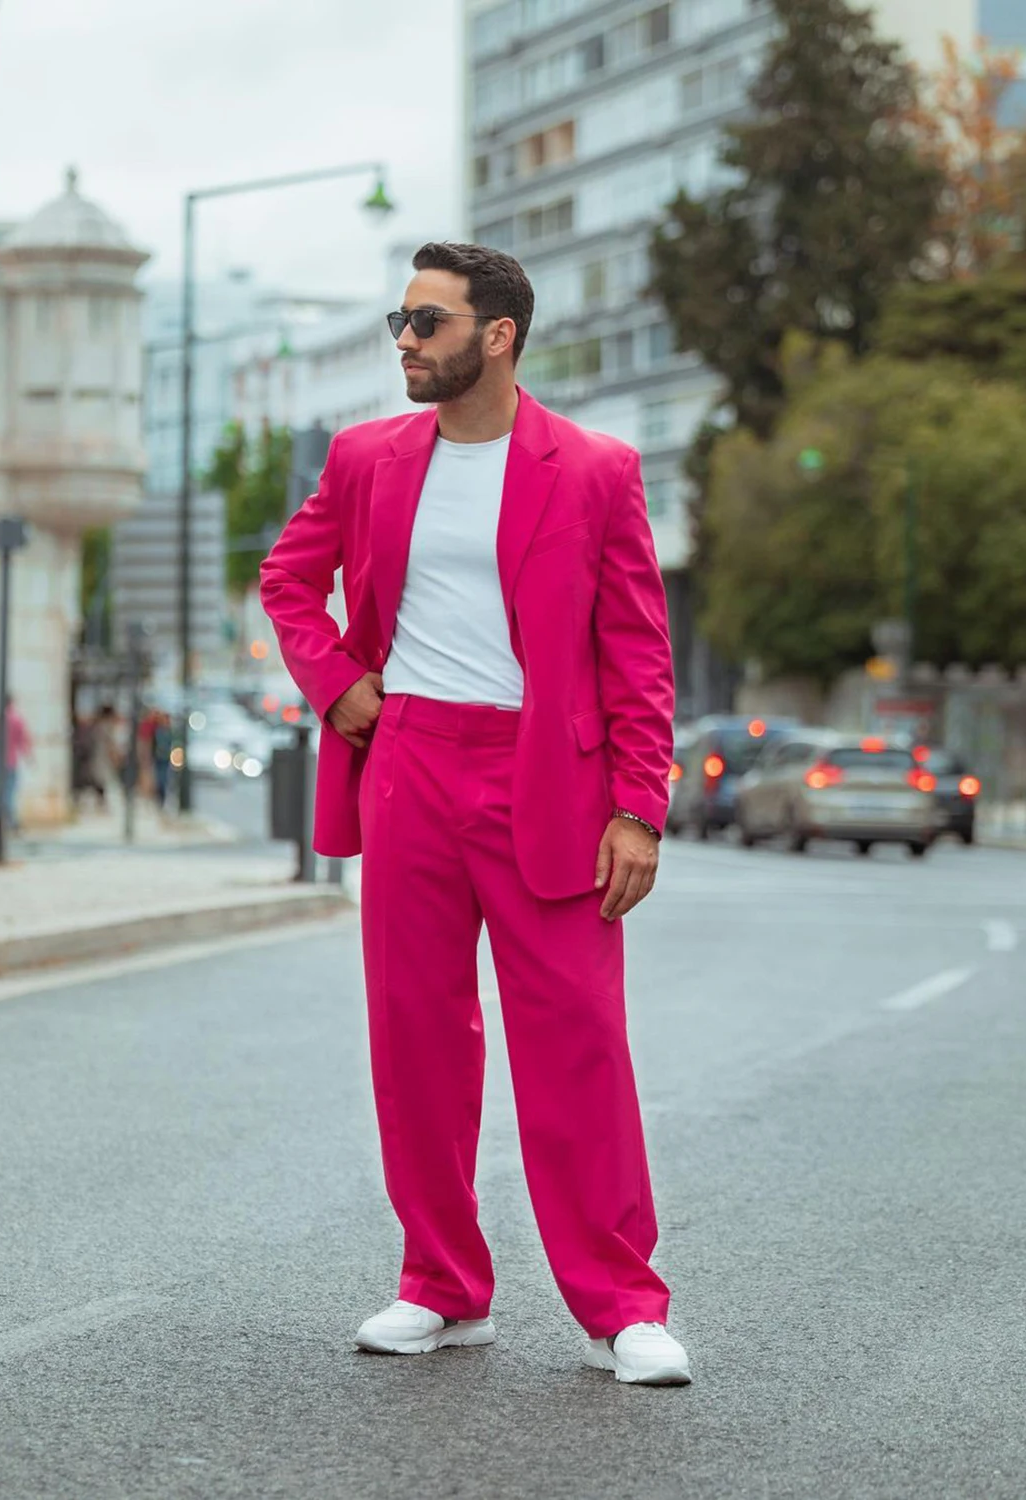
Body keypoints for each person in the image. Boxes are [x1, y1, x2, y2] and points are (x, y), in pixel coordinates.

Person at [259, 243, 689, 1386]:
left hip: (549, 779)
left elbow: (639, 655)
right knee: (416, 1039)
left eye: (426, 323)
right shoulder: (365, 459)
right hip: (408, 763)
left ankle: (621, 1307)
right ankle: (441, 1288)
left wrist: (639, 808)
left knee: (578, 1046)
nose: (404, 342)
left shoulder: (596, 469)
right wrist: (336, 681)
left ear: (496, 335)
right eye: (399, 322)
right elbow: (288, 580)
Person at [0, 694, 33, 833]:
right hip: (11, 760)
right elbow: (23, 740)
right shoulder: (16, 720)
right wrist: (29, 757)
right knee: (9, 791)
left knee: (1, 791)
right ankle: (9, 819)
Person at [151, 711, 174, 810]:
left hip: (166, 759)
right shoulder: (158, 731)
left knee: (164, 779)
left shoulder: (170, 732)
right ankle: (158, 799)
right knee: (158, 779)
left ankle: (162, 800)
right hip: (158, 758)